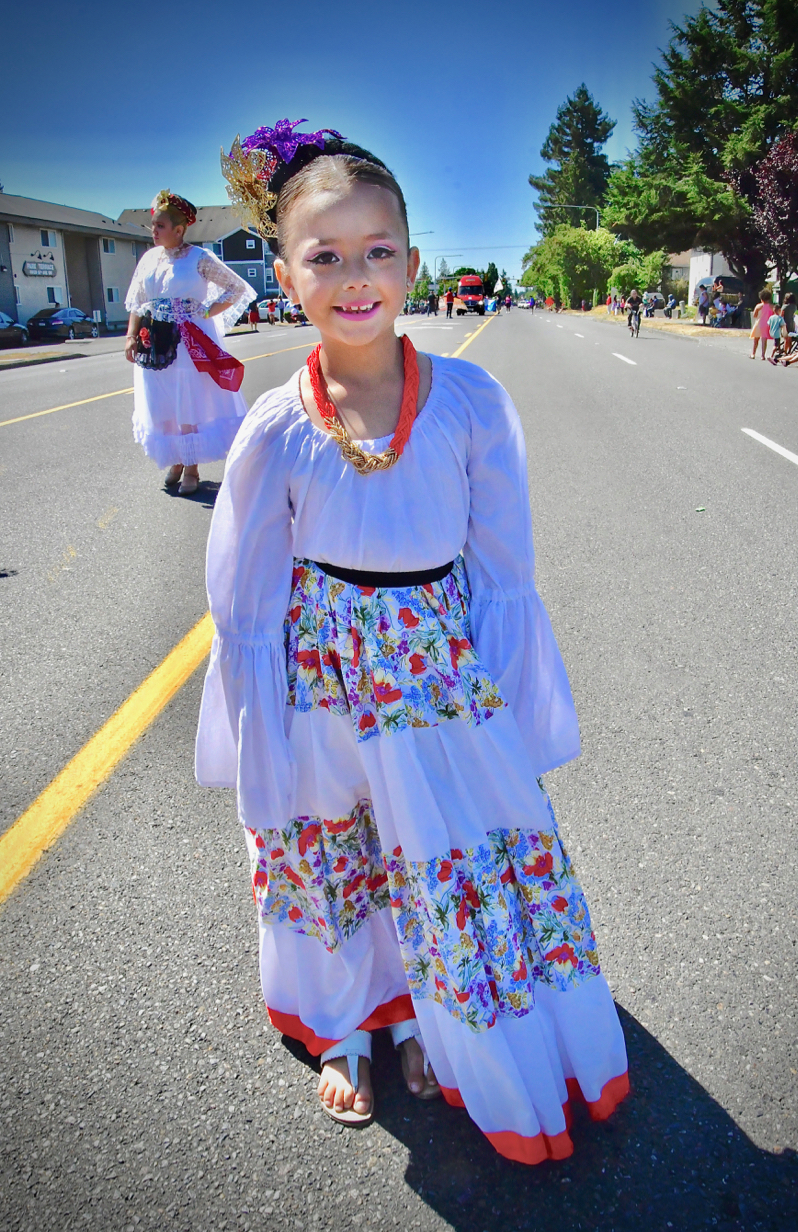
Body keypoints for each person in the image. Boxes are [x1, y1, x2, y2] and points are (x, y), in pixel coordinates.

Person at [201, 116, 629, 1161]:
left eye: (377, 251)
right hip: (317, 669)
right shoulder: (274, 423)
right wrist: (258, 724)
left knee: (435, 845)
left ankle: (431, 1014)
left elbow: (503, 566)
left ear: (415, 262)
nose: (356, 276)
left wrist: (511, 707)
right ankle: (349, 1021)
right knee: (334, 844)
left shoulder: (471, 399)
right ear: (285, 272)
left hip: (433, 667)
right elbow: (247, 593)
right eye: (325, 255)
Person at [124, 190, 254, 495]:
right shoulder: (148, 260)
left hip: (187, 343)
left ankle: (192, 467)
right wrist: (131, 336)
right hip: (154, 341)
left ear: (179, 230)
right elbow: (137, 303)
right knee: (163, 402)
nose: (154, 231)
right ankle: (177, 461)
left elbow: (235, 288)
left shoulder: (200, 258)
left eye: (160, 226)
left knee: (187, 400)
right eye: (152, 226)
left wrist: (205, 310)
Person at [749, 289, 773, 360]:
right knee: (764, 340)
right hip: (767, 324)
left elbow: (754, 315)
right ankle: (763, 355)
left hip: (759, 323)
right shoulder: (771, 306)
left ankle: (753, 353)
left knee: (756, 339)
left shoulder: (759, 306)